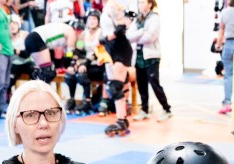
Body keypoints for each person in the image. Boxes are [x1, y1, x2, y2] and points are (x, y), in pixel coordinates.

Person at [126, 0, 173, 121]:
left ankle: (166, 109)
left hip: (151, 57)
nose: (140, 5)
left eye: (143, 2)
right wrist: (140, 32)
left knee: (154, 83)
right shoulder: (137, 19)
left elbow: (150, 37)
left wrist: (137, 37)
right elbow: (129, 36)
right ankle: (144, 110)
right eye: (139, 3)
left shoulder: (154, 18)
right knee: (141, 84)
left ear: (150, 4)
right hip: (138, 57)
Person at [98, 0, 137, 136]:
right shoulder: (105, 8)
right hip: (112, 49)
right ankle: (123, 120)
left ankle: (121, 120)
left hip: (120, 49)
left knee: (114, 87)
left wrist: (105, 39)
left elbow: (121, 27)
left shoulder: (113, 6)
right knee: (116, 85)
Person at [66, 10, 105, 114]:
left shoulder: (101, 33)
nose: (92, 21)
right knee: (69, 74)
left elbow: (98, 52)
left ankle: (87, 101)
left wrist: (84, 64)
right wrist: (73, 64)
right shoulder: (83, 34)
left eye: (94, 19)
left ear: (98, 21)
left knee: (81, 74)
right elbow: (78, 51)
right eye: (90, 19)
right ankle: (72, 100)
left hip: (98, 64)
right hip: (86, 64)